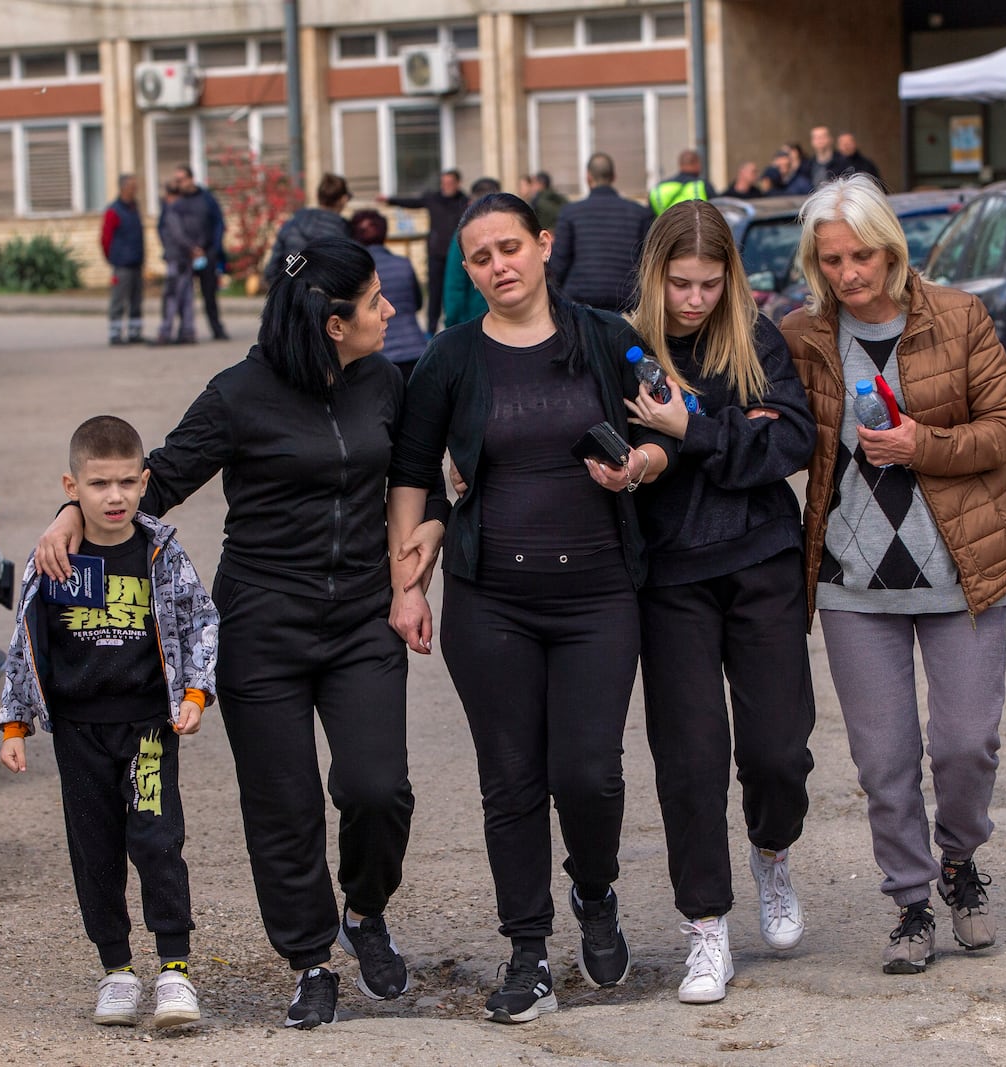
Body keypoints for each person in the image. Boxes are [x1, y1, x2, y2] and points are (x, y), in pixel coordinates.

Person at [35, 237, 447, 1031]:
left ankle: (364, 912)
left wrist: (433, 526)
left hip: (361, 617)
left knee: (376, 786)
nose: (389, 309)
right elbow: (152, 478)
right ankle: (311, 959)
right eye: (373, 300)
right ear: (331, 322)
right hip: (263, 624)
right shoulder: (237, 394)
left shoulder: (387, 382)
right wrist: (69, 512)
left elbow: (422, 477)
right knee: (283, 804)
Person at [387, 192, 679, 1025]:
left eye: (510, 247)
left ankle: (596, 889)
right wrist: (406, 583)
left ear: (544, 245)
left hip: (597, 596)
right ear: (468, 269)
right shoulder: (448, 358)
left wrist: (643, 464)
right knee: (510, 780)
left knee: (587, 772)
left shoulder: (606, 336)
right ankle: (527, 951)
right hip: (492, 602)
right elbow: (412, 472)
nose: (498, 266)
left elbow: (673, 426)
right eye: (479, 257)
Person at [779, 174, 1006, 975]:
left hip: (962, 570)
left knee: (965, 744)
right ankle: (912, 902)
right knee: (884, 760)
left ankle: (959, 859)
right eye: (833, 260)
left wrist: (927, 445)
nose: (850, 274)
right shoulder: (804, 336)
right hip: (855, 582)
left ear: (892, 248)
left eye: (863, 256)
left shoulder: (959, 317)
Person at [624, 200, 819, 1004]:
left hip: (762, 561)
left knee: (778, 749)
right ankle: (706, 924)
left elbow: (789, 442)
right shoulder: (627, 345)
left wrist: (693, 430)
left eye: (709, 283)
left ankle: (772, 852)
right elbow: (621, 439)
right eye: (680, 284)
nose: (694, 300)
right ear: (655, 276)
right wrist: (654, 452)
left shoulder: (758, 336)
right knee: (692, 758)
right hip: (670, 576)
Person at [0, 414, 218, 1030]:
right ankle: (117, 971)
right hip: (78, 733)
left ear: (145, 481)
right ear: (72, 486)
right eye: (99, 484)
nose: (114, 496)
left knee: (156, 840)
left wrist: (197, 692)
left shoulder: (161, 553)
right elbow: (25, 643)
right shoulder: (53, 559)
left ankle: (174, 971)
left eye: (126, 482)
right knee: (94, 849)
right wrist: (15, 726)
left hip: (149, 726)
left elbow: (201, 620)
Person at [549, 153, 654, 313]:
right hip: (626, 303)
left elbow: (559, 262)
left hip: (579, 303)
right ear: (614, 177)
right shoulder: (639, 213)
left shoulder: (570, 213)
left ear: (588, 178)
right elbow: (647, 261)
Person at [380, 169, 469, 334]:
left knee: (453, 294)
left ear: (458, 183)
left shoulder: (465, 202)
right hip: (436, 254)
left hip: (457, 256)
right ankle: (431, 331)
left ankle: (456, 329)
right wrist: (390, 200)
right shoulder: (433, 199)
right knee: (434, 295)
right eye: (444, 183)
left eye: (450, 183)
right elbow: (413, 202)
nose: (446, 186)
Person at [350, 208, 428, 380]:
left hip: (380, 354)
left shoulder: (356, 272)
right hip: (415, 349)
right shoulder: (403, 264)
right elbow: (418, 303)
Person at [265, 173, 351, 285]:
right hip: (326, 298)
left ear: (318, 196)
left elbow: (271, 271)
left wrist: (285, 295)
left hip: (292, 295)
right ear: (343, 199)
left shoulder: (292, 224)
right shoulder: (344, 233)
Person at [174, 165, 229, 341]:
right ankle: (185, 331)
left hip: (207, 253)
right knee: (183, 296)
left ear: (191, 179)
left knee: (210, 295)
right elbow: (169, 228)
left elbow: (219, 223)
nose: (179, 184)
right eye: (177, 181)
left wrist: (214, 248)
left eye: (181, 179)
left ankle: (217, 329)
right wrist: (186, 248)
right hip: (185, 255)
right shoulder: (176, 203)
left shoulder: (206, 199)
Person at [441, 176, 500, 329]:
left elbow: (454, 286)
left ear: (471, 203)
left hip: (475, 324)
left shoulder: (465, 237)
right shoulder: (512, 231)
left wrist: (452, 326)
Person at [155, 180, 209, 345]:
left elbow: (177, 235)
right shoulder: (191, 210)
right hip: (187, 259)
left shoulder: (173, 211)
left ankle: (165, 332)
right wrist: (197, 248)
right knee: (187, 297)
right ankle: (188, 332)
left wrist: (192, 248)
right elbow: (201, 230)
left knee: (171, 297)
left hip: (177, 258)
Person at [101, 173, 146, 346]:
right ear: (124, 188)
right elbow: (106, 238)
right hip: (122, 264)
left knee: (136, 300)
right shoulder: (114, 210)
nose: (136, 190)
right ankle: (115, 334)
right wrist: (113, 258)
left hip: (136, 262)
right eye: (133, 187)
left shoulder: (134, 208)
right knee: (118, 300)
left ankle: (135, 333)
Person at [650, 149, 710, 216]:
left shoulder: (659, 189)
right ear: (697, 164)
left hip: (668, 226)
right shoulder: (703, 185)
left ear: (680, 164)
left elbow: (649, 219)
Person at [807, 126, 850, 190]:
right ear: (812, 141)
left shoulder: (843, 162)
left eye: (823, 137)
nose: (819, 140)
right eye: (816, 137)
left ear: (830, 139)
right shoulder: (809, 165)